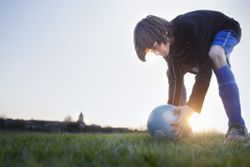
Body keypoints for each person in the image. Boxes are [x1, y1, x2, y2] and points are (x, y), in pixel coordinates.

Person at [133, 10, 248, 141]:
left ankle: (237, 126)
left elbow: (205, 70)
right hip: (200, 53)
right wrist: (171, 117)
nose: (157, 53)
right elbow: (176, 80)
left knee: (216, 54)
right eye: (153, 51)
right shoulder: (168, 52)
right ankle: (183, 129)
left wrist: (191, 106)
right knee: (171, 73)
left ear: (163, 33)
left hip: (226, 29)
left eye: (155, 46)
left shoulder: (187, 27)